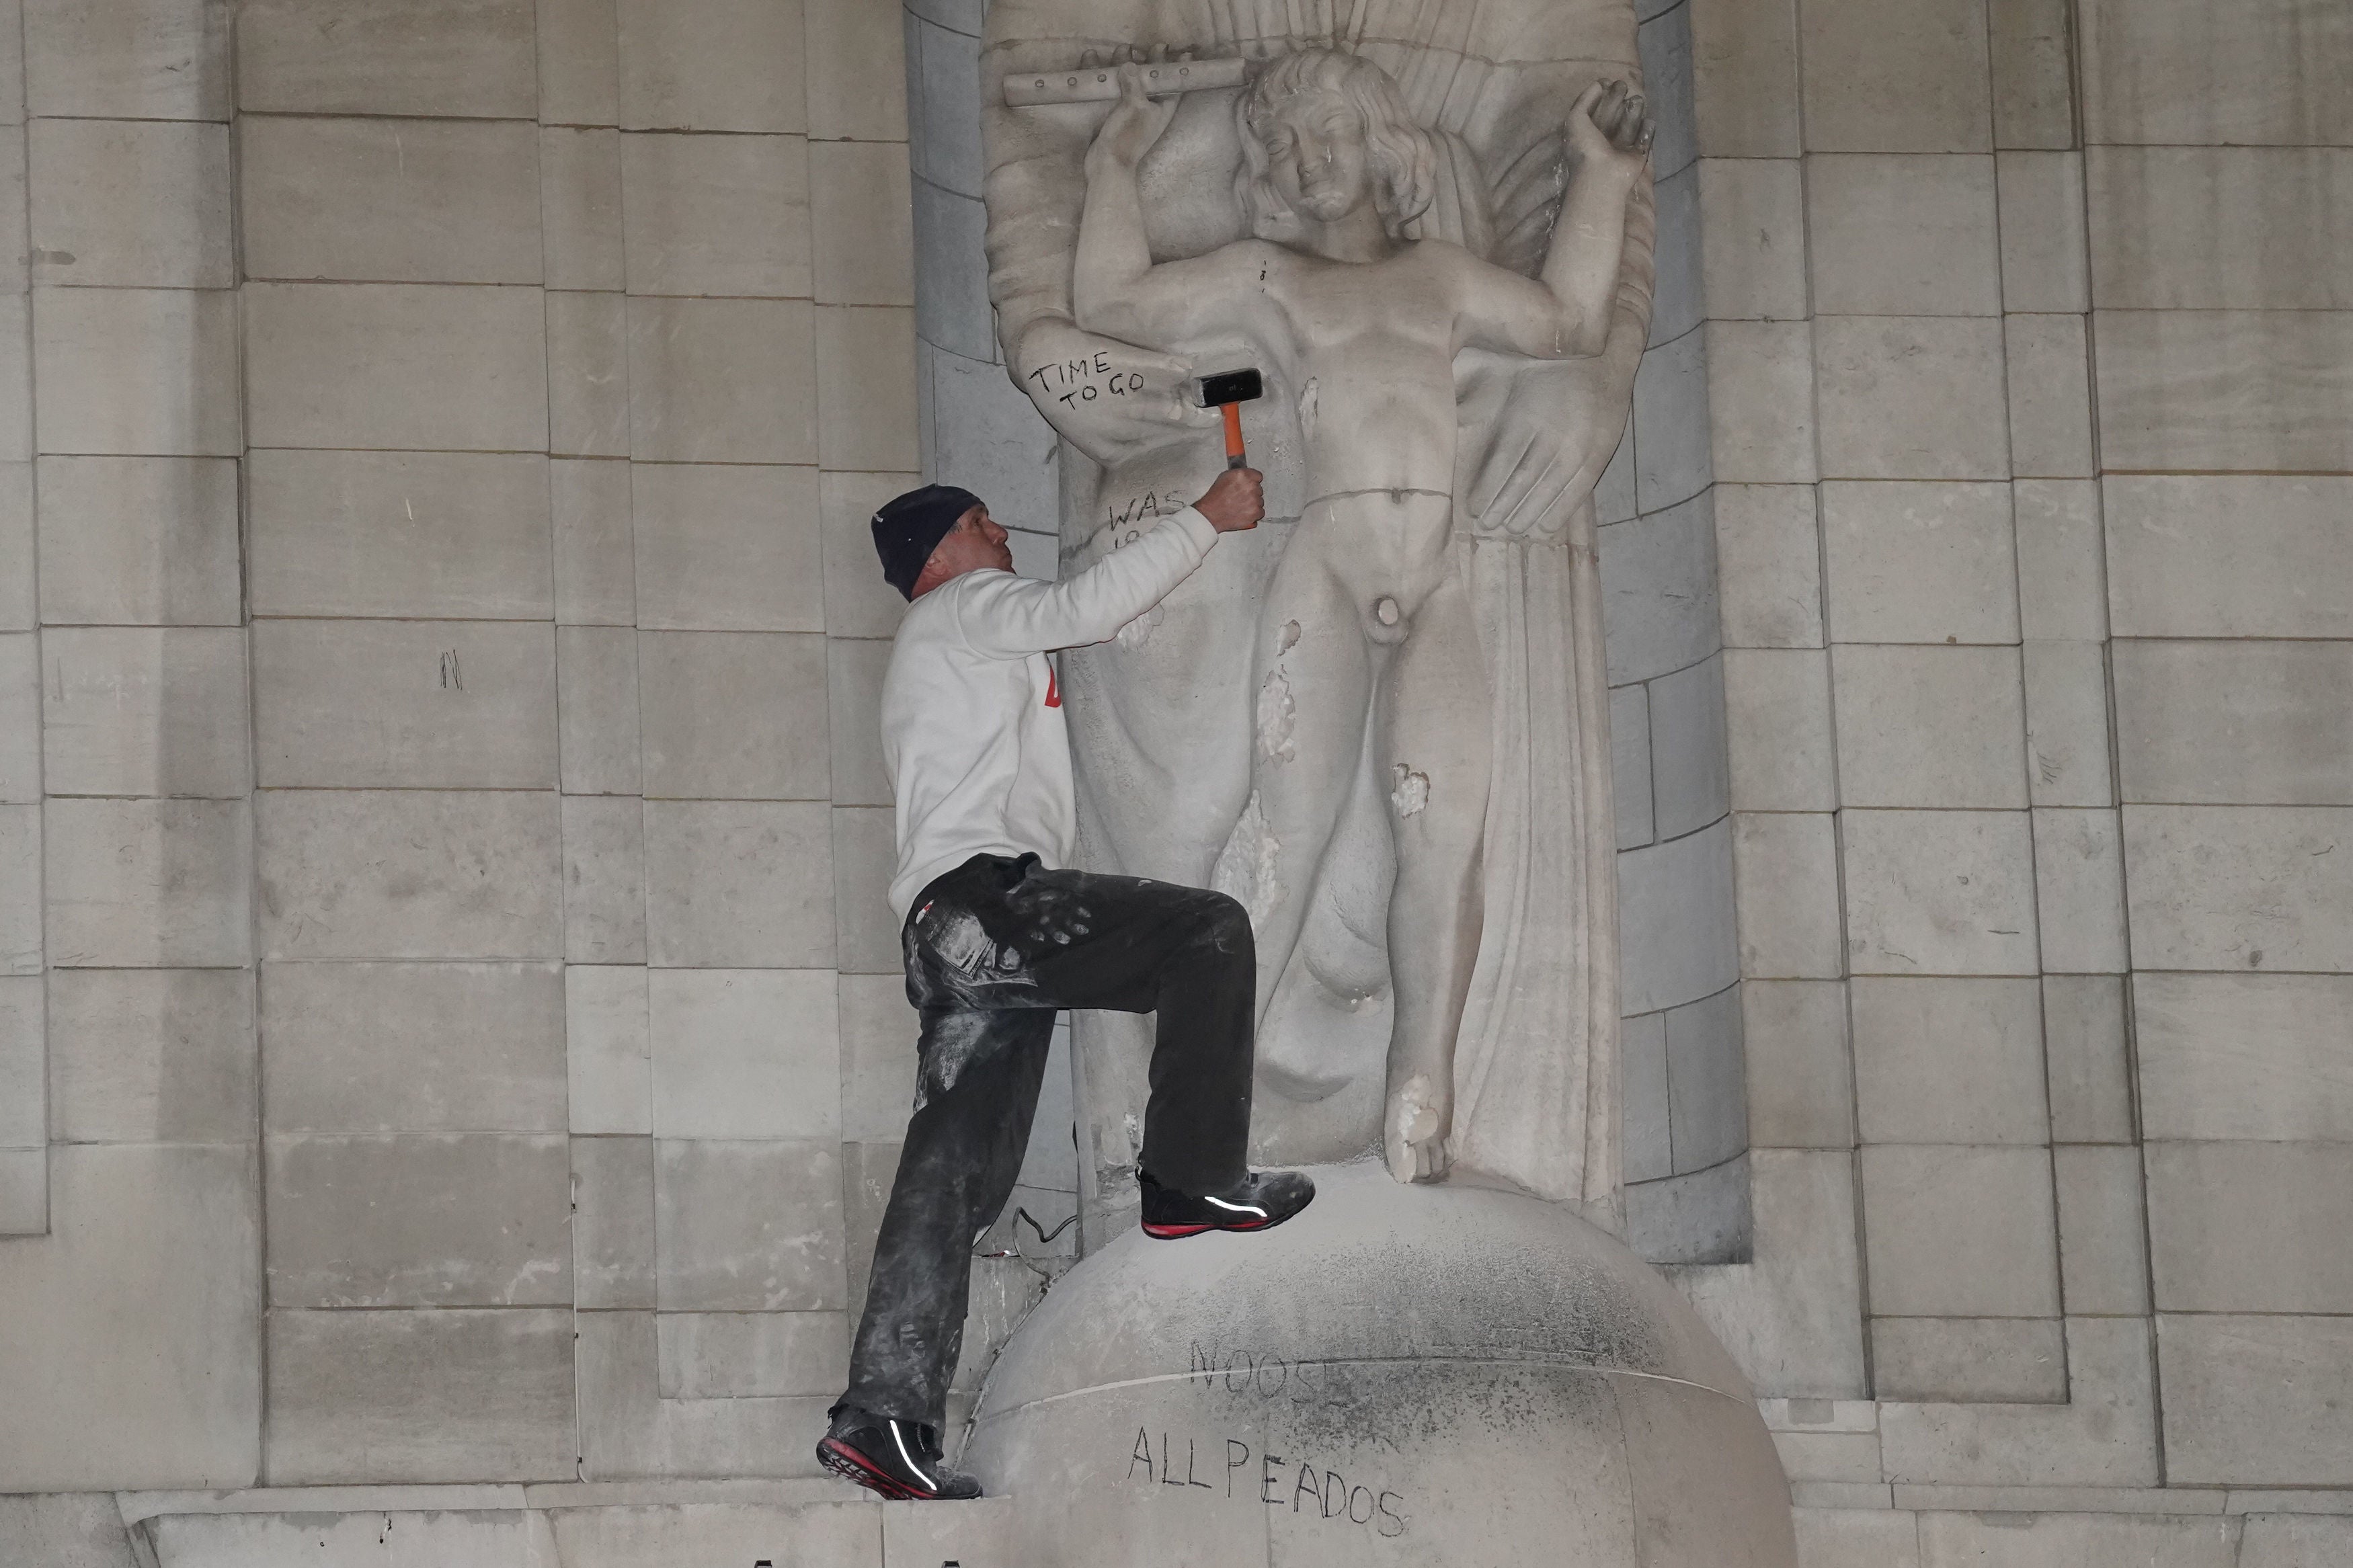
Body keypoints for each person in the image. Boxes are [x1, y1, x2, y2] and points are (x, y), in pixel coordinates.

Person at [1072, 54, 1653, 1183]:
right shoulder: (1271, 279)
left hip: (1438, 576)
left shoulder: (1442, 276)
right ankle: (1202, 1099)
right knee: (1283, 846)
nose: (1307, 160)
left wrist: (1601, 175)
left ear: (1378, 137)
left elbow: (1573, 318)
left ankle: (1420, 1089)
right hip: (1330, 571)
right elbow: (1110, 301)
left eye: (1326, 132)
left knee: (1442, 836)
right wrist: (1113, 164)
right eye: (1284, 147)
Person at [816, 469, 1317, 1502]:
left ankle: (884, 1417)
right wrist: (1206, 520)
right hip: (990, 903)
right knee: (1207, 933)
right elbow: (1081, 608)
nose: (999, 530)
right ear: (937, 558)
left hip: (945, 934)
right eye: (975, 522)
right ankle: (1188, 1180)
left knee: (952, 1179)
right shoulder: (967, 607)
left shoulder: (943, 641)